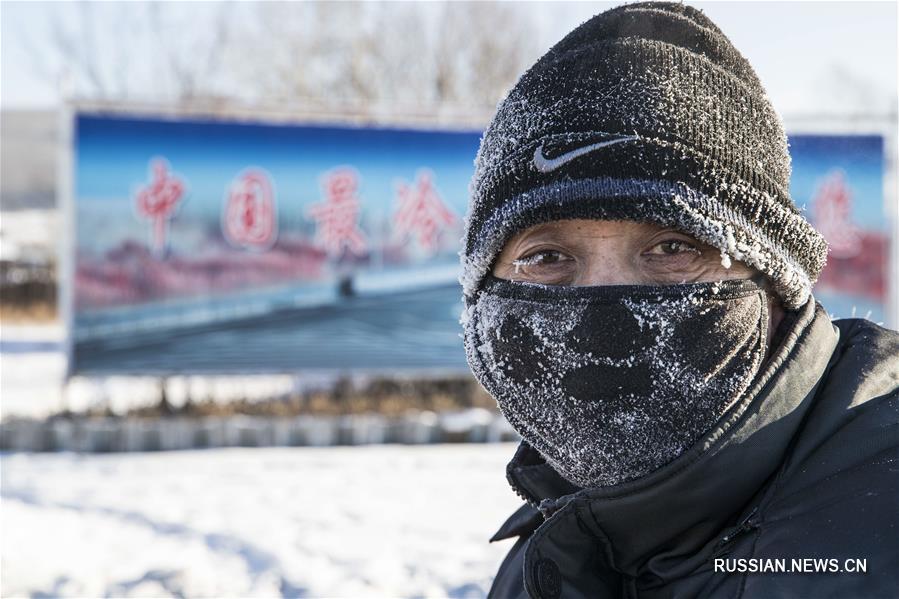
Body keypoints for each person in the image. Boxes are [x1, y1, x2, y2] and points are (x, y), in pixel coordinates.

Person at [457, 3, 899, 597]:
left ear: (774, 277)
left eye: (673, 246)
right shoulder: (548, 559)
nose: (602, 315)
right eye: (546, 257)